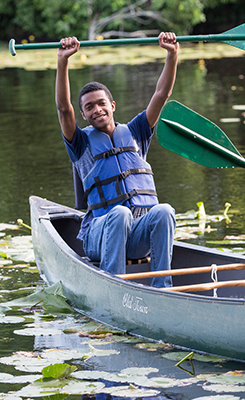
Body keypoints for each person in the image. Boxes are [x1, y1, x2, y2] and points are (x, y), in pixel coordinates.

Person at [55, 33, 179, 288]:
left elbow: (161, 94)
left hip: (135, 237)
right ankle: (113, 286)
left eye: (101, 103)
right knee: (120, 213)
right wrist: (63, 61)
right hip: (99, 236)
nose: (97, 109)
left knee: (164, 211)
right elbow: (63, 108)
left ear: (112, 105)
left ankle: (162, 289)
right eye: (89, 107)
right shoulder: (79, 143)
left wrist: (172, 54)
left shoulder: (136, 132)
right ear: (84, 115)